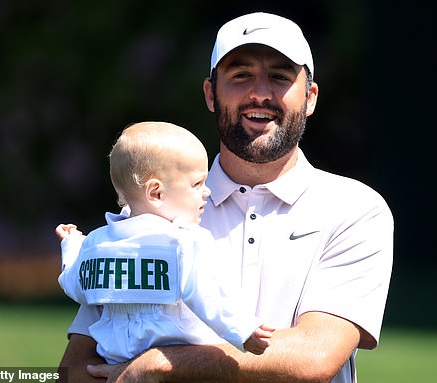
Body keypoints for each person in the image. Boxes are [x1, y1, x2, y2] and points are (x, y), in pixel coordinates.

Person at [59, 12, 393, 383]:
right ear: (210, 94)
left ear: (311, 97)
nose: (261, 93)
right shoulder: (150, 211)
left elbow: (313, 358)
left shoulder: (355, 209)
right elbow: (76, 366)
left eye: (280, 77)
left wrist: (160, 364)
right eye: (240, 75)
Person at [55, 121, 274, 365]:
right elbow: (207, 293)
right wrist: (243, 330)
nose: (207, 192)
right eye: (197, 184)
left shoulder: (96, 244)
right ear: (156, 193)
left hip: (114, 361)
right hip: (180, 364)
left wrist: (72, 245)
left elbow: (74, 285)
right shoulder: (182, 241)